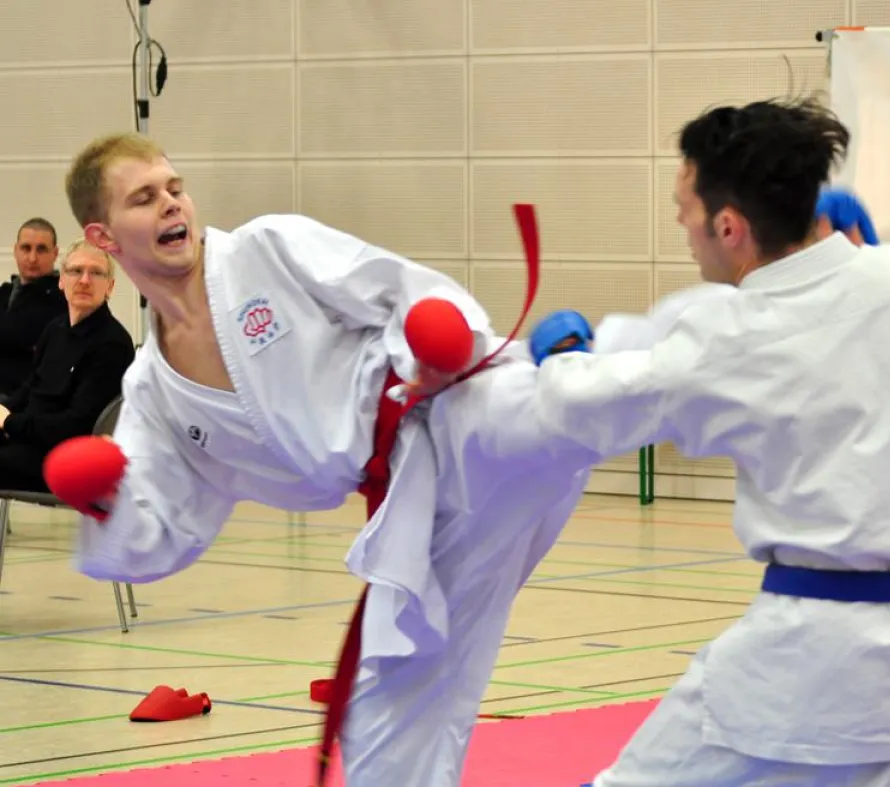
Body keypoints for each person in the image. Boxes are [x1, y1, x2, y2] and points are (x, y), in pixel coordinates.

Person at [57, 131, 705, 786]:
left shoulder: (263, 250)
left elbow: (400, 288)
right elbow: (158, 530)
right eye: (145, 198)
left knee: (562, 405)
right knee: (387, 721)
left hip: (446, 414)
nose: (172, 204)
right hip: (412, 515)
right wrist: (104, 498)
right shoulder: (154, 392)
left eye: (175, 187)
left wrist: (439, 342)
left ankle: (725, 345)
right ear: (103, 236)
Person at [485, 97, 890, 785]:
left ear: (729, 225)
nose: (681, 224)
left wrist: (562, 357)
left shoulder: (733, 334)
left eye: (684, 207)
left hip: (818, 657)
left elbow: (587, 407)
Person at [0, 239, 134, 491]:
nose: (84, 280)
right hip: (27, 440)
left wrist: (10, 423)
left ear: (110, 286)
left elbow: (76, 425)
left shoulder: (112, 344)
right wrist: (3, 410)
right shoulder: (55, 329)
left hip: (62, 456)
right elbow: (30, 389)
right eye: (76, 271)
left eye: (96, 273)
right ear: (62, 280)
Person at [0, 218, 68, 394]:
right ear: (15, 250)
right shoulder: (6, 292)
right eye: (26, 248)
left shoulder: (62, 298)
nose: (32, 258)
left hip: (25, 398)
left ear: (55, 253)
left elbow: (17, 333)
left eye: (41, 249)